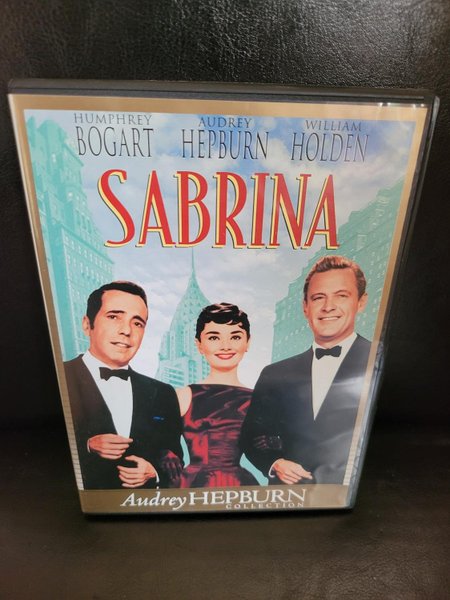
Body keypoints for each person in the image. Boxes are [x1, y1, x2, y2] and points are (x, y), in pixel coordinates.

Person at [240, 255, 371, 485]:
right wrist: (275, 463)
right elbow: (251, 436)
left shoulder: (380, 362)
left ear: (361, 302)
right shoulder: (274, 374)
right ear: (305, 307)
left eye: (341, 296)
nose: (328, 306)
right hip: (286, 499)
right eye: (318, 297)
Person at [64, 281, 183, 490]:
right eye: (114, 317)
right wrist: (86, 446)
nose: (126, 330)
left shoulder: (163, 393)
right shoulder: (59, 376)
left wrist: (154, 472)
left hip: (144, 508)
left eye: (137, 323)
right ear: (87, 324)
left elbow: (175, 460)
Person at [176, 303, 259, 488]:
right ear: (199, 344)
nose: (225, 346)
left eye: (235, 337)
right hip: (193, 487)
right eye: (214, 337)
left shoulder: (257, 399)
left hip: (240, 487)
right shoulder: (184, 395)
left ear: (248, 342)